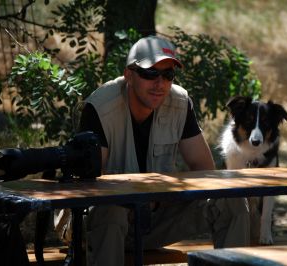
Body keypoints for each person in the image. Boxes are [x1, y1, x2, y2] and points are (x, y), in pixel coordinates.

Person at [78, 35, 250, 266]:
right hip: (99, 226)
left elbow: (204, 170)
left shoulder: (179, 102)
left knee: (231, 199)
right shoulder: (99, 107)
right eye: (150, 73)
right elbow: (88, 185)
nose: (160, 83)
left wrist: (162, 197)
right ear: (129, 74)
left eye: (168, 75)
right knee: (112, 211)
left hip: (155, 220)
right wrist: (137, 195)